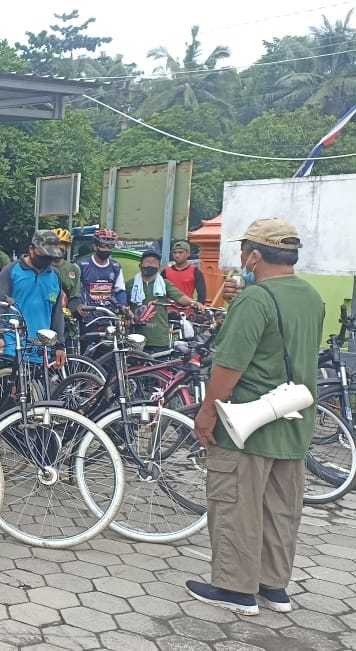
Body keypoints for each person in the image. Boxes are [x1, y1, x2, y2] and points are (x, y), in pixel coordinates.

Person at [188, 218, 324, 615]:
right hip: (294, 423)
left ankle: (235, 590)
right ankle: (274, 587)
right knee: (280, 509)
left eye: (245, 249)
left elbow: (229, 366)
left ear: (255, 254)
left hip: (247, 424)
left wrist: (207, 413)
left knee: (236, 504)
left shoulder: (256, 299)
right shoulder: (310, 297)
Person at [0, 231, 67, 368]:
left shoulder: (54, 276)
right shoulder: (11, 270)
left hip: (41, 348)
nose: (47, 260)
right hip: (12, 345)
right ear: (31, 249)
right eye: (44, 255)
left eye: (51, 257)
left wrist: (60, 344)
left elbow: (57, 313)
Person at [127, 251, 202, 354]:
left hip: (159, 339)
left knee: (159, 368)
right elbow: (122, 304)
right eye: (147, 262)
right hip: (135, 338)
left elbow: (180, 298)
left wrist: (194, 303)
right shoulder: (130, 284)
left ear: (158, 267)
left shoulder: (164, 284)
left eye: (154, 263)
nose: (150, 265)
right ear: (140, 266)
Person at [77, 228, 127, 312]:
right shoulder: (82, 265)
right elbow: (75, 292)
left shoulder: (116, 267)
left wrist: (123, 306)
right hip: (87, 314)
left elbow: (120, 291)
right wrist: (78, 305)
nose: (107, 249)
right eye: (103, 246)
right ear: (95, 246)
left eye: (110, 246)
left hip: (109, 315)